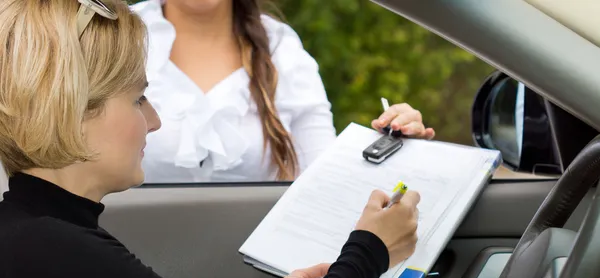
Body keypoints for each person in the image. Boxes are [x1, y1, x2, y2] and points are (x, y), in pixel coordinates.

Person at [0, 1, 420, 278]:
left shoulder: (44, 236)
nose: (155, 120)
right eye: (137, 99)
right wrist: (369, 253)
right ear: (70, 108)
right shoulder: (50, 250)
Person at [132, 0, 435, 183]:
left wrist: (394, 144)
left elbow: (324, 178)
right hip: (121, 265)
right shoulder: (115, 38)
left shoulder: (282, 49)